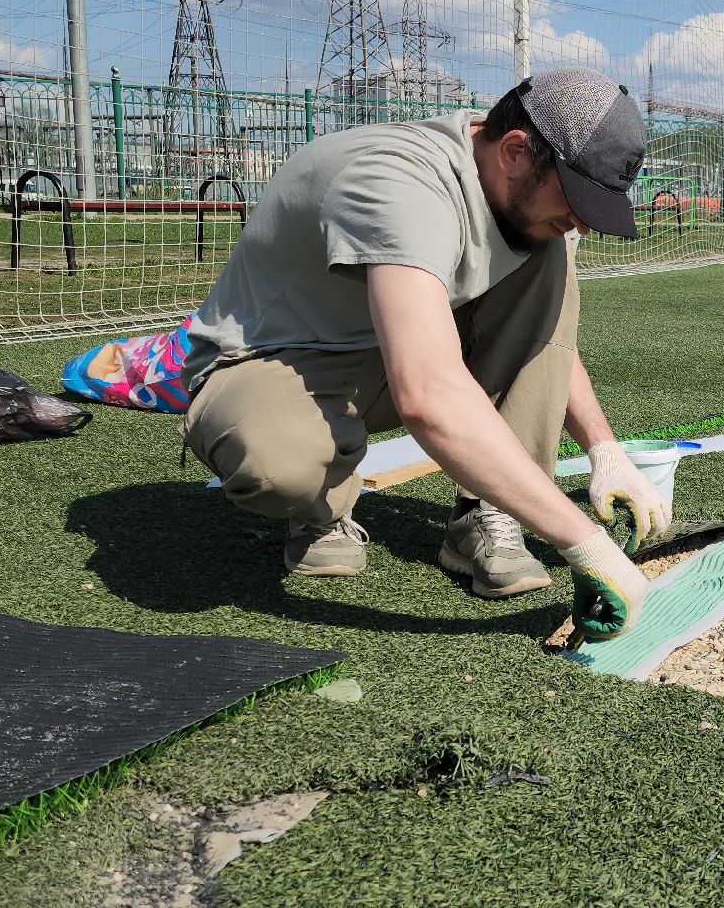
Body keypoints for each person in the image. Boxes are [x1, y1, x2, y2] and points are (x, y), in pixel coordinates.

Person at [177, 66, 666, 641]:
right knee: (276, 469)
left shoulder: (524, 200)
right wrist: (584, 543)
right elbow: (428, 395)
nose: (585, 218)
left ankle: (488, 511)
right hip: (276, 362)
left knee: (549, 246)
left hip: (392, 351)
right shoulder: (397, 184)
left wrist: (605, 450)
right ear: (514, 151)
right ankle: (318, 511)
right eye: (579, 196)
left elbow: (546, 341)